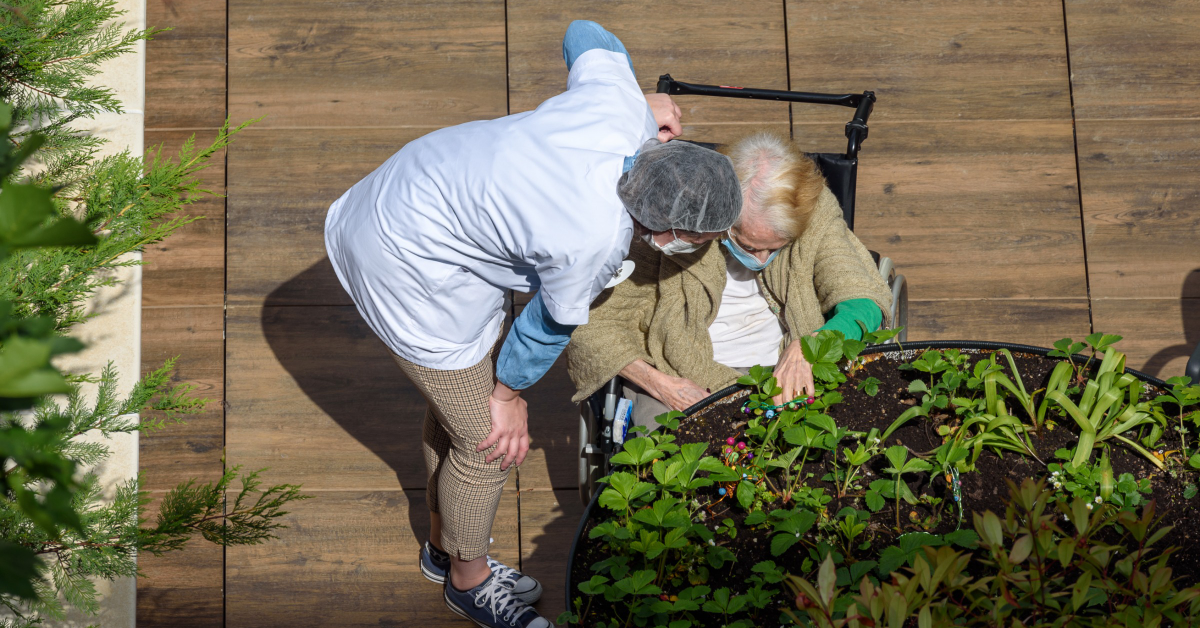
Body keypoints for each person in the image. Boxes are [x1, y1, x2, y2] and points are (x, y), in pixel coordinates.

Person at [323, 20, 742, 628]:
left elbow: (585, 32)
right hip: (406, 266)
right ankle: (468, 583)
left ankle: (446, 550)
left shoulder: (617, 106)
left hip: (409, 187)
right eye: (701, 238)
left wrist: (640, 101)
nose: (704, 246)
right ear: (664, 231)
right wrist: (509, 396)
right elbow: (543, 329)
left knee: (458, 411)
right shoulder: (592, 238)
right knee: (490, 444)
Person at [568, 132, 893, 429]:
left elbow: (862, 300)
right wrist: (660, 385)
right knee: (665, 459)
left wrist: (808, 348)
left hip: (787, 362)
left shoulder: (813, 212)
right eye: (750, 246)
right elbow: (591, 324)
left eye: (775, 249)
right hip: (681, 370)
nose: (762, 260)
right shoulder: (673, 220)